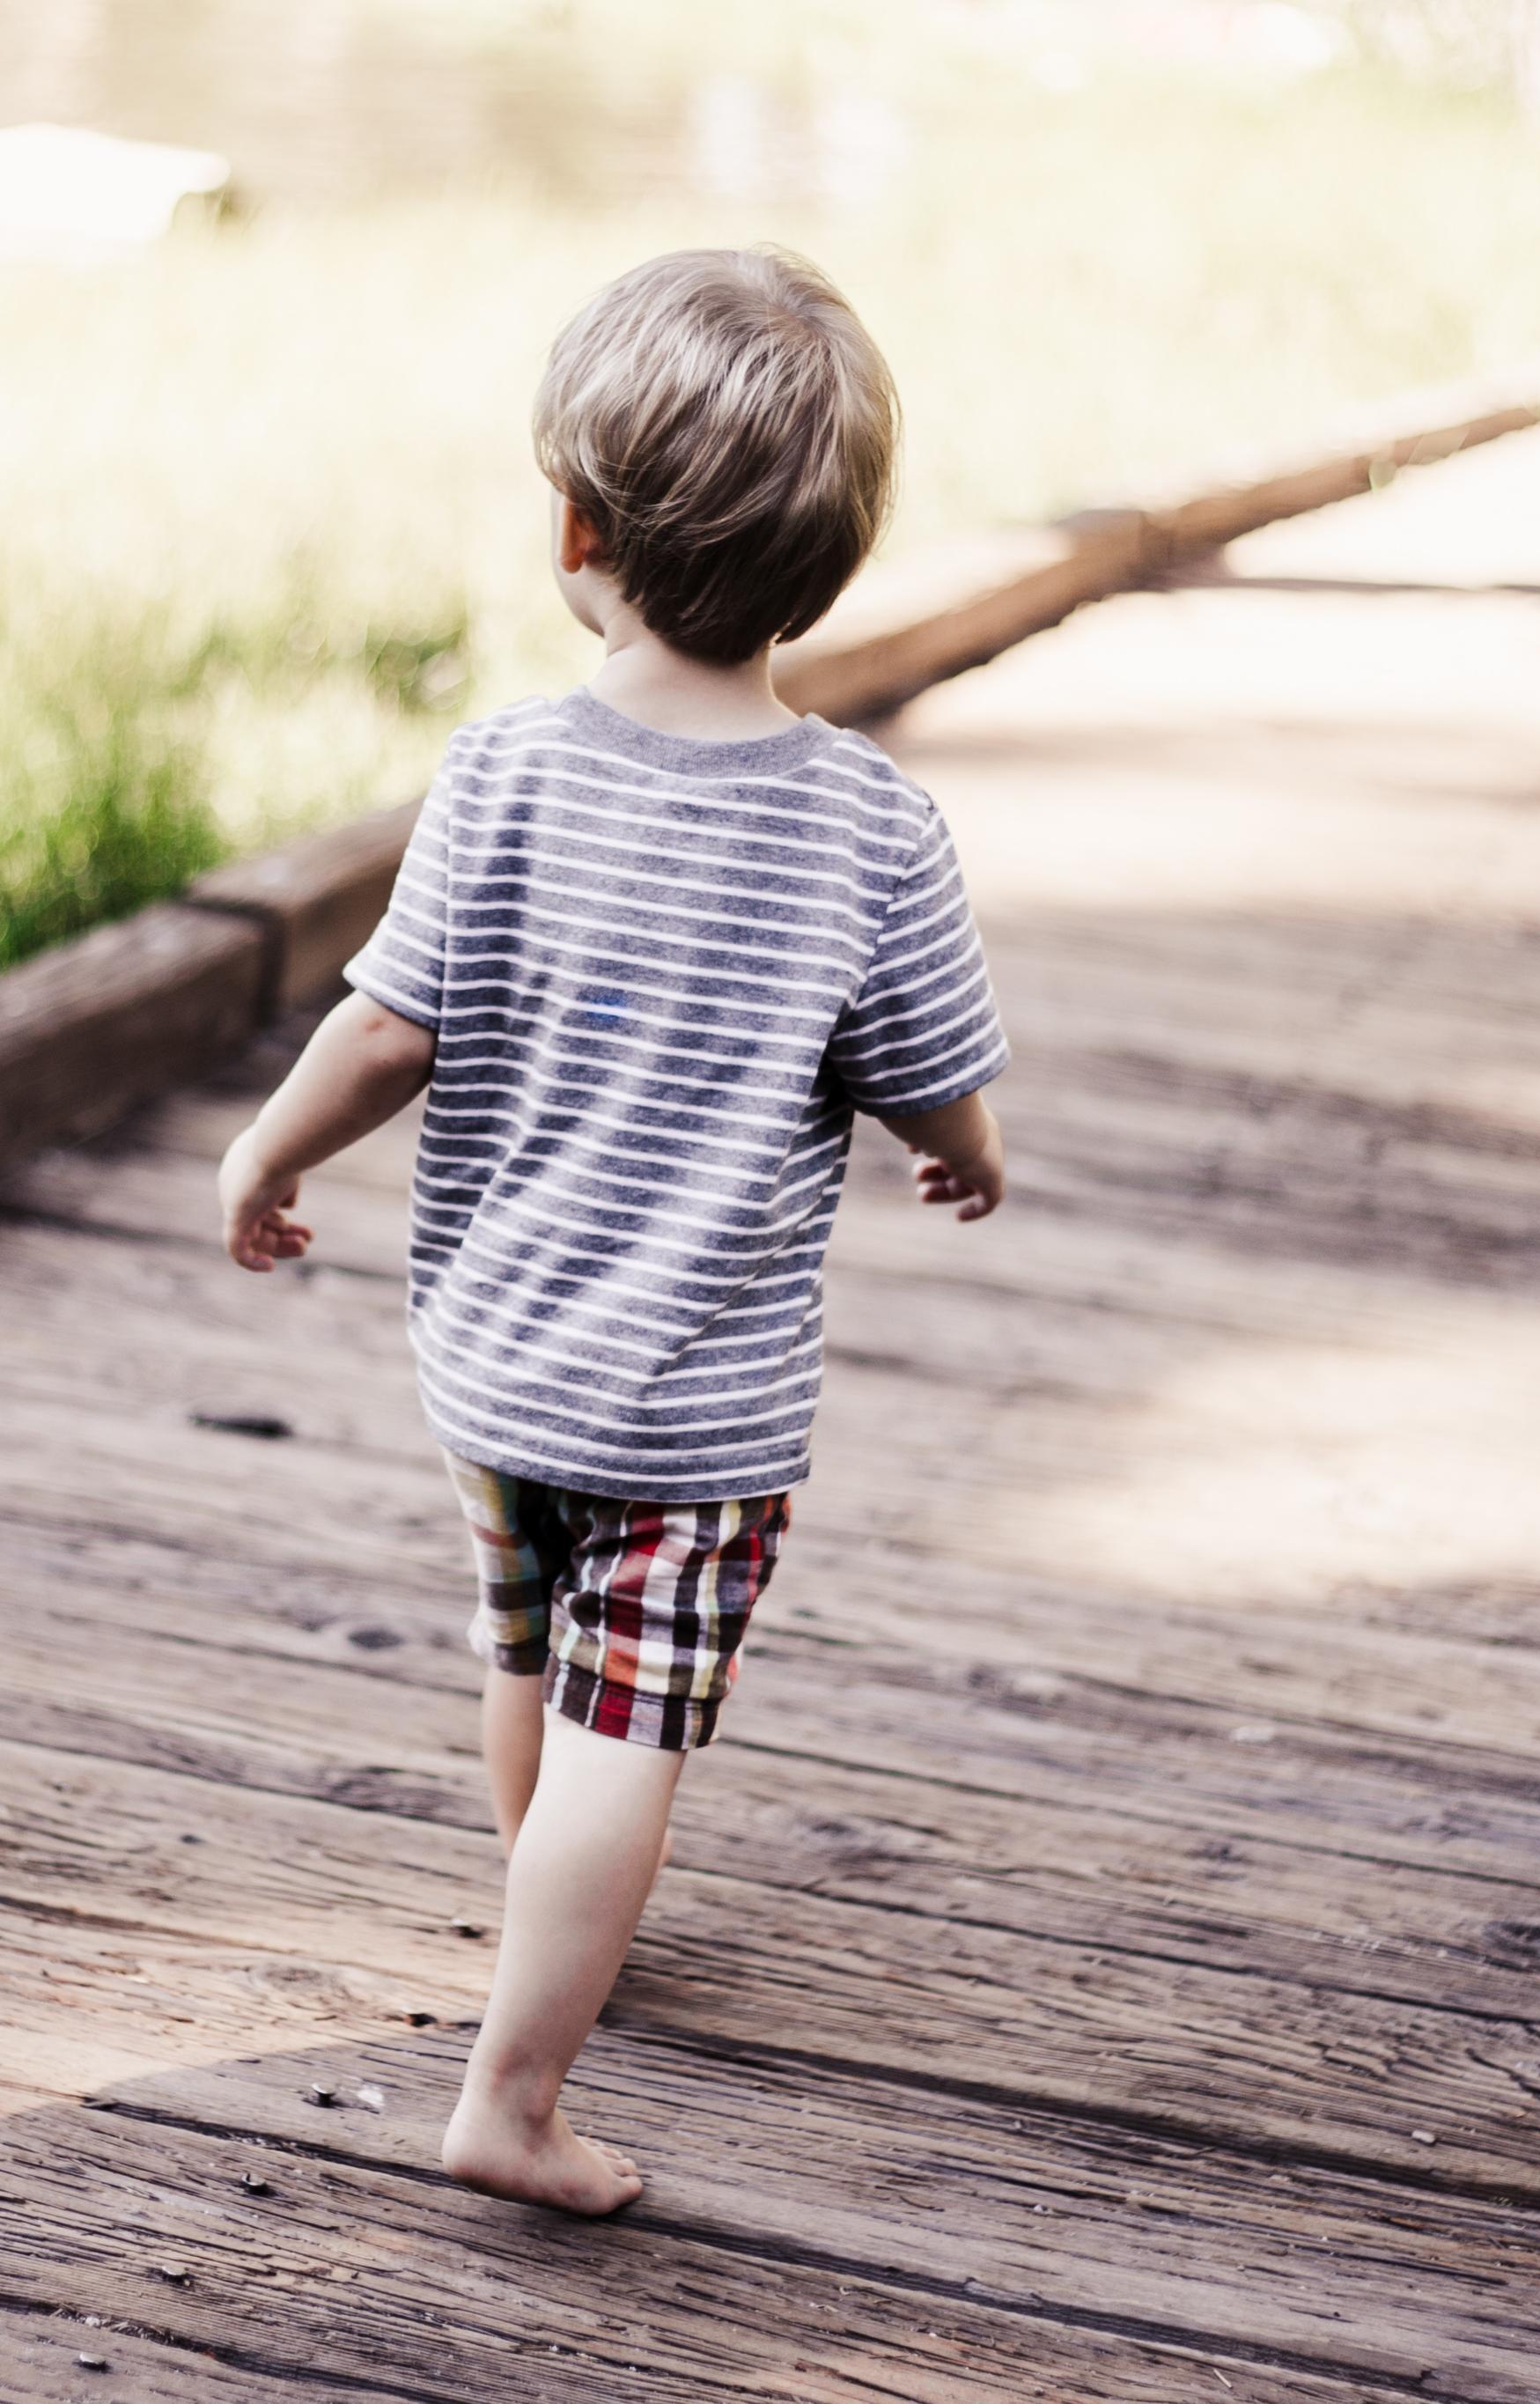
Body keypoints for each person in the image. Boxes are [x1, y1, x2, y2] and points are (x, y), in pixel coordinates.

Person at [213, 247, 1009, 2217]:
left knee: (526, 1638)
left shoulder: (504, 768)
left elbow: (386, 1022)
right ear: (825, 566)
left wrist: (263, 1152)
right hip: (700, 1412)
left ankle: (542, 1904)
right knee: (628, 1725)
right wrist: (962, 1148)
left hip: (497, 1362)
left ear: (574, 528)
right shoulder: (868, 827)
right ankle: (517, 2086)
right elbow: (925, 1071)